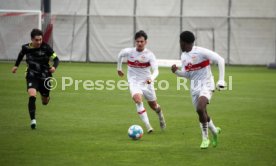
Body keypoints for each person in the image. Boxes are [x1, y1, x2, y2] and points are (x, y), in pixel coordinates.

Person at [171, 31, 225, 149]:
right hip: (194, 87)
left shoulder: (201, 52)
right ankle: (215, 131)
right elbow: (187, 74)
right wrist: (176, 72)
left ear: (185, 43)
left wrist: (221, 80)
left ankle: (205, 138)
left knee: (200, 108)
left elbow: (220, 60)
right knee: (202, 113)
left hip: (207, 84)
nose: (179, 44)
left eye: (180, 42)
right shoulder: (184, 56)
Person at [117, 30, 166, 133]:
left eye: (142, 41)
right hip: (134, 82)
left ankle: (160, 115)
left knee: (154, 106)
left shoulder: (149, 55)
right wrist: (119, 68)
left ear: (145, 42)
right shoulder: (129, 52)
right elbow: (120, 55)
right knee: (138, 100)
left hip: (147, 83)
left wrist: (151, 79)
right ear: (135, 42)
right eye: (138, 41)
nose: (139, 43)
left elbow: (156, 70)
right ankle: (148, 126)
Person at [11, 28, 59, 129]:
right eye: (36, 40)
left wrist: (54, 67)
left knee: (44, 101)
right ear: (32, 39)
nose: (39, 42)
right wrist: (16, 66)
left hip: (45, 76)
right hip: (32, 75)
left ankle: (46, 97)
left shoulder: (46, 47)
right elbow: (21, 55)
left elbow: (56, 58)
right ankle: (33, 120)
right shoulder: (26, 48)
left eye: (40, 39)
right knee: (32, 94)